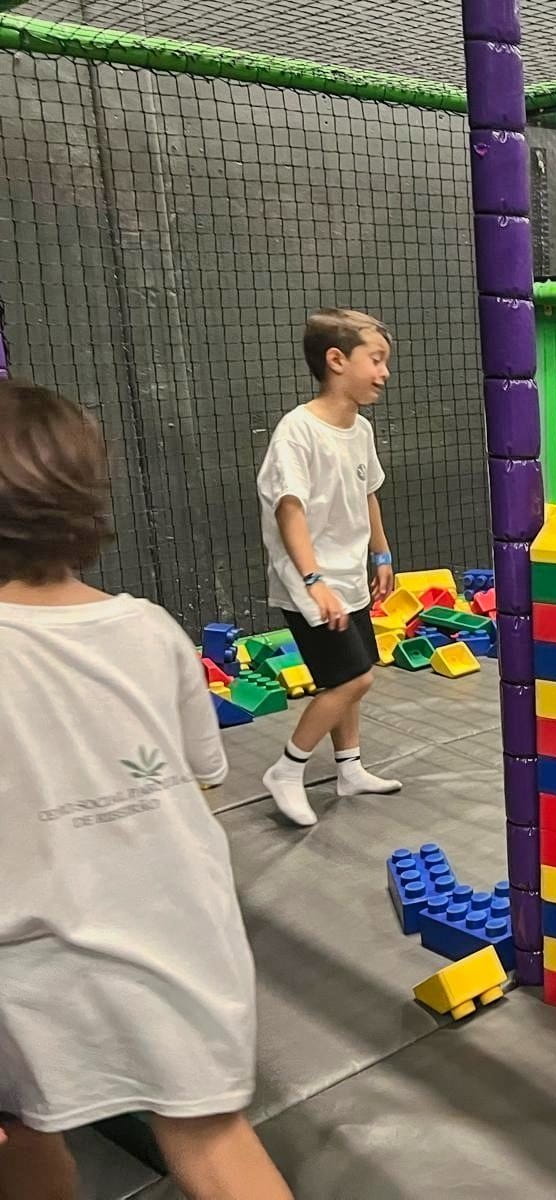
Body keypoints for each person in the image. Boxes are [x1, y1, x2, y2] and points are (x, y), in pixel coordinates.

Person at [0, 380, 291, 1200]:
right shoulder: (150, 627)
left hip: (32, 970)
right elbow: (199, 784)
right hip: (182, 935)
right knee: (212, 1138)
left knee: (24, 1131)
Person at [257, 307, 402, 827]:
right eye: (376, 360)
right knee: (353, 679)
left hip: (348, 574)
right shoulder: (297, 432)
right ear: (337, 360)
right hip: (311, 582)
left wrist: (381, 553)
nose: (384, 373)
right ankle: (287, 769)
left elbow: (368, 493)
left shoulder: (359, 430)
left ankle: (349, 768)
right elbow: (289, 509)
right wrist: (313, 581)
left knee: (350, 674)